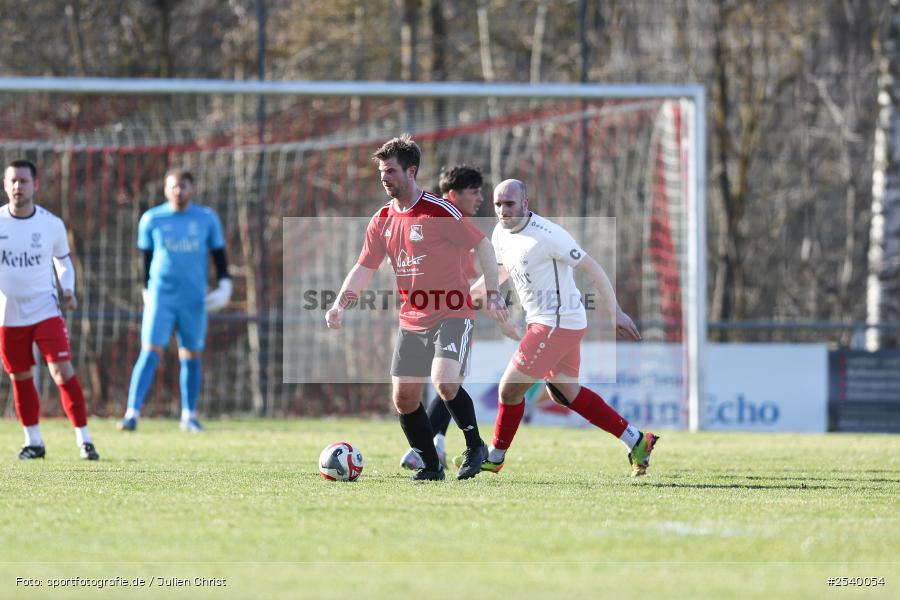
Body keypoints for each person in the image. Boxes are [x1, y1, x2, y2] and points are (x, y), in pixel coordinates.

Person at [325, 135, 508, 481]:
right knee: (404, 397)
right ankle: (430, 465)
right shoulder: (381, 219)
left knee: (444, 382)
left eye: (391, 170)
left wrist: (494, 292)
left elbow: (483, 246)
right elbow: (364, 267)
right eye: (381, 171)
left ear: (411, 171)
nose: (384, 177)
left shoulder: (439, 210)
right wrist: (340, 304)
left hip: (453, 311)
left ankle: (475, 446)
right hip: (412, 318)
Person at [463, 179, 658, 477]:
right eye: (498, 204)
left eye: (510, 204)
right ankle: (636, 439)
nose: (503, 210)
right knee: (564, 392)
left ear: (525, 203)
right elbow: (502, 270)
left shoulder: (549, 235)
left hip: (556, 323)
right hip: (552, 322)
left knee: (509, 390)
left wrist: (615, 311)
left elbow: (593, 268)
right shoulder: (501, 232)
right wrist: (468, 295)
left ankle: (496, 456)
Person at [117, 168, 232, 433]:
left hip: (193, 298)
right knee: (150, 351)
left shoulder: (206, 218)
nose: (178, 191)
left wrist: (225, 284)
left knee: (191, 354)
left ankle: (189, 416)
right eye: (174, 186)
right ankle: (131, 413)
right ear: (165, 189)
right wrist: (145, 289)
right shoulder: (152, 219)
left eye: (183, 186)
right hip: (162, 296)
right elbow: (144, 259)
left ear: (192, 189)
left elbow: (218, 255)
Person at [1, 159, 99, 460]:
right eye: (13, 181)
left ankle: (84, 440)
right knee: (20, 376)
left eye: (24, 181)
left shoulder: (51, 224)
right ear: (5, 185)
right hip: (8, 315)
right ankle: (34, 442)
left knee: (62, 370)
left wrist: (68, 289)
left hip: (45, 310)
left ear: (36, 185)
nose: (18, 187)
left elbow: (63, 262)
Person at [399, 164, 485, 472]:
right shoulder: (444, 223)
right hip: (443, 314)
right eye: (474, 192)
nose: (481, 199)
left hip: (456, 312)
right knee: (448, 382)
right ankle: (432, 447)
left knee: (448, 383)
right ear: (452, 195)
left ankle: (435, 446)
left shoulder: (458, 227)